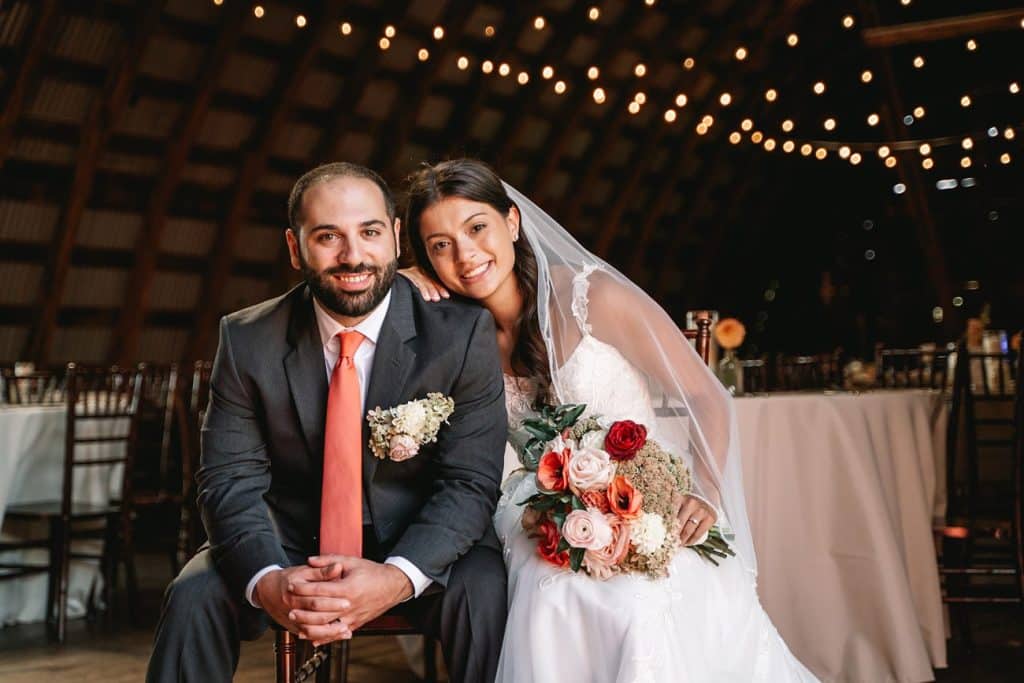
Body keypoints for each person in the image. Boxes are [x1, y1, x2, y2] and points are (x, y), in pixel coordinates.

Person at [401, 158, 819, 682]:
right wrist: (400, 284)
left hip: (643, 499)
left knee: (636, 607)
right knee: (552, 587)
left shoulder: (592, 298)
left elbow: (706, 397)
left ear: (512, 222)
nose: (465, 256)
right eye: (440, 245)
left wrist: (707, 493)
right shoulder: (455, 334)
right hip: (537, 515)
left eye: (477, 228)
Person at [146, 162, 508, 683]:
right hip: (291, 542)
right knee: (193, 594)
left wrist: (395, 577)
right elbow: (228, 482)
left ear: (397, 238)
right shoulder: (248, 339)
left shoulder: (460, 335)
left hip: (417, 535)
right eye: (327, 237)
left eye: (369, 232)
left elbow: (469, 484)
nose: (353, 255)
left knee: (484, 588)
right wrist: (271, 581)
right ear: (295, 248)